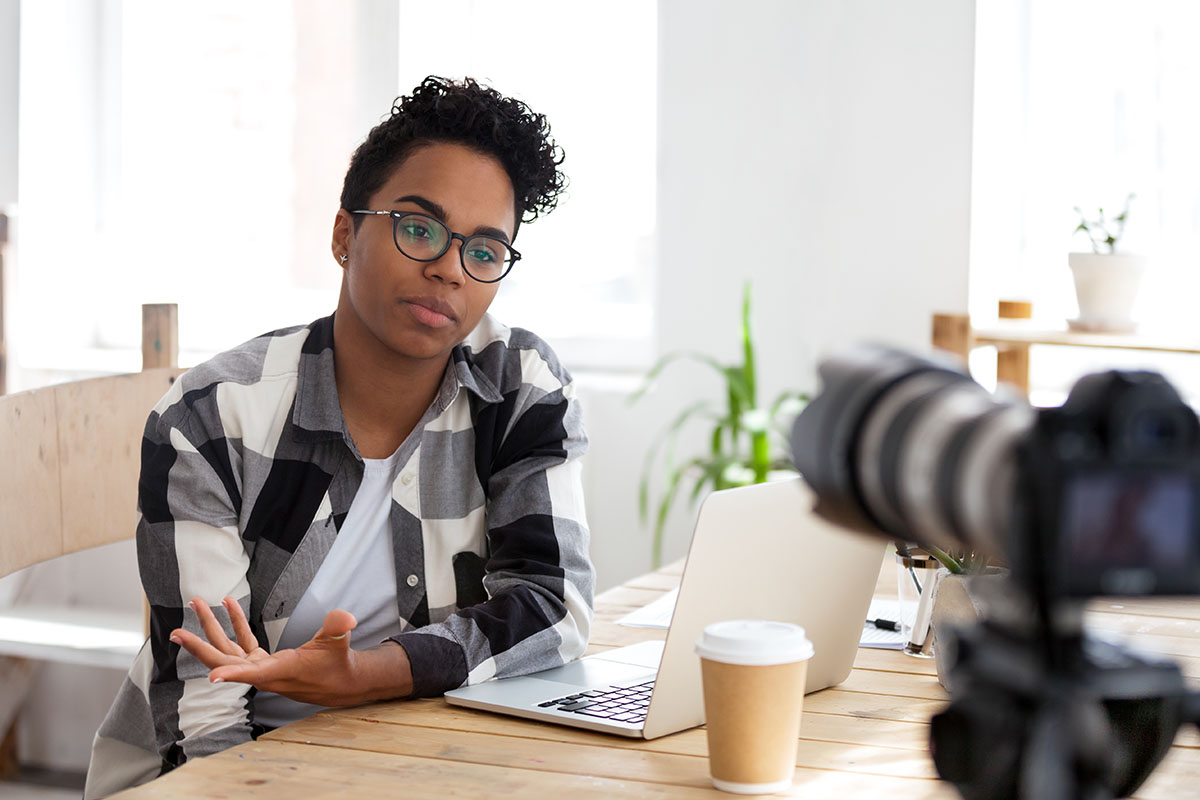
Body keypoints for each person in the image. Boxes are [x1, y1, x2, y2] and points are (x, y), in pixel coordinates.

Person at [85, 76, 594, 798]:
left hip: (416, 754)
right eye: (419, 228)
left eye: (485, 251)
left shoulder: (519, 386)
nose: (449, 269)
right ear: (344, 235)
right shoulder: (212, 415)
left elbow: (552, 605)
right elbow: (208, 713)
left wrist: (373, 674)